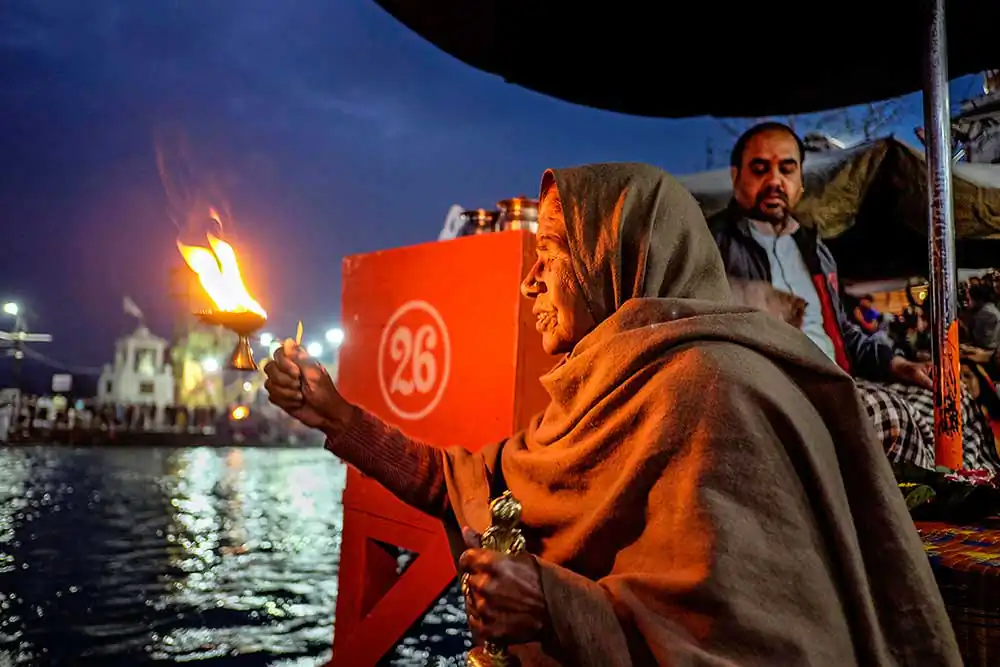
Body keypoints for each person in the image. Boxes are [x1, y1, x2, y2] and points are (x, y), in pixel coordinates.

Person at [266, 163, 959, 665]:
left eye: (551, 252)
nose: (529, 279)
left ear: (621, 257)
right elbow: (466, 482)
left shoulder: (713, 392)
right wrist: (335, 414)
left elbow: (763, 645)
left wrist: (555, 605)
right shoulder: (599, 391)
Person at [707, 122, 931, 390]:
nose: (775, 181)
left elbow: (841, 331)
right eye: (760, 169)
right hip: (771, 393)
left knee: (947, 396)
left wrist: (898, 365)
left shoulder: (816, 251)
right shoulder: (711, 245)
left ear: (800, 181)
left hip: (840, 383)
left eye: (787, 169)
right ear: (736, 177)